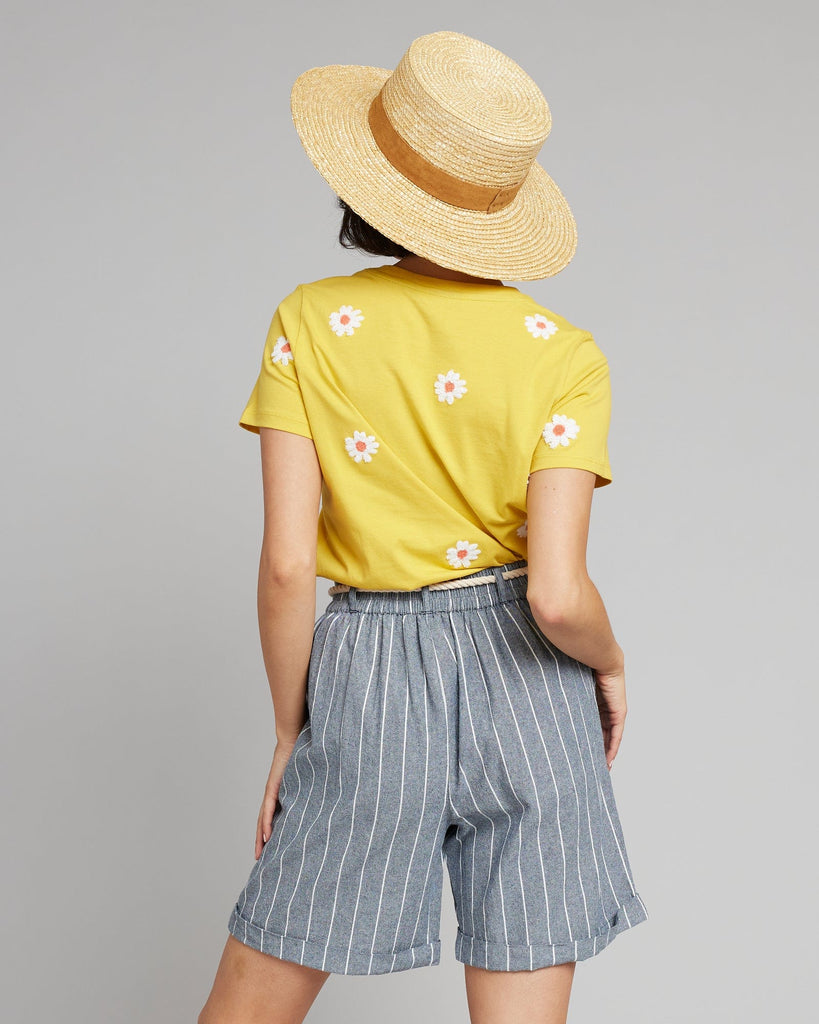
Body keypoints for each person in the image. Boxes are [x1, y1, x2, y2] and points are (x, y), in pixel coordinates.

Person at [198, 30, 648, 1024]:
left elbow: (284, 565)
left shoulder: (309, 322)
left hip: (370, 670)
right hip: (534, 680)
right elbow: (559, 594)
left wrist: (288, 732)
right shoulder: (563, 355)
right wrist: (608, 659)